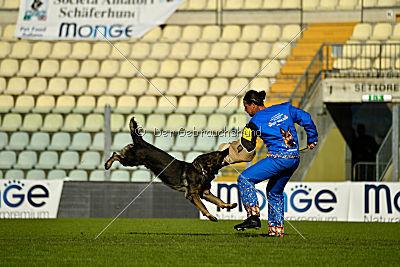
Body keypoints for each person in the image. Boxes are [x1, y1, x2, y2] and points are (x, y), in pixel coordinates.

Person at [233, 90, 318, 237]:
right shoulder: (284, 108)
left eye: (246, 106)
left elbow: (247, 146)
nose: (245, 110)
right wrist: (312, 138)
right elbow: (306, 117)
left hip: (279, 159)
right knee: (274, 192)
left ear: (253, 104)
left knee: (244, 179)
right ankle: (276, 231)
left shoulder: (254, 122)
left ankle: (253, 217)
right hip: (294, 159)